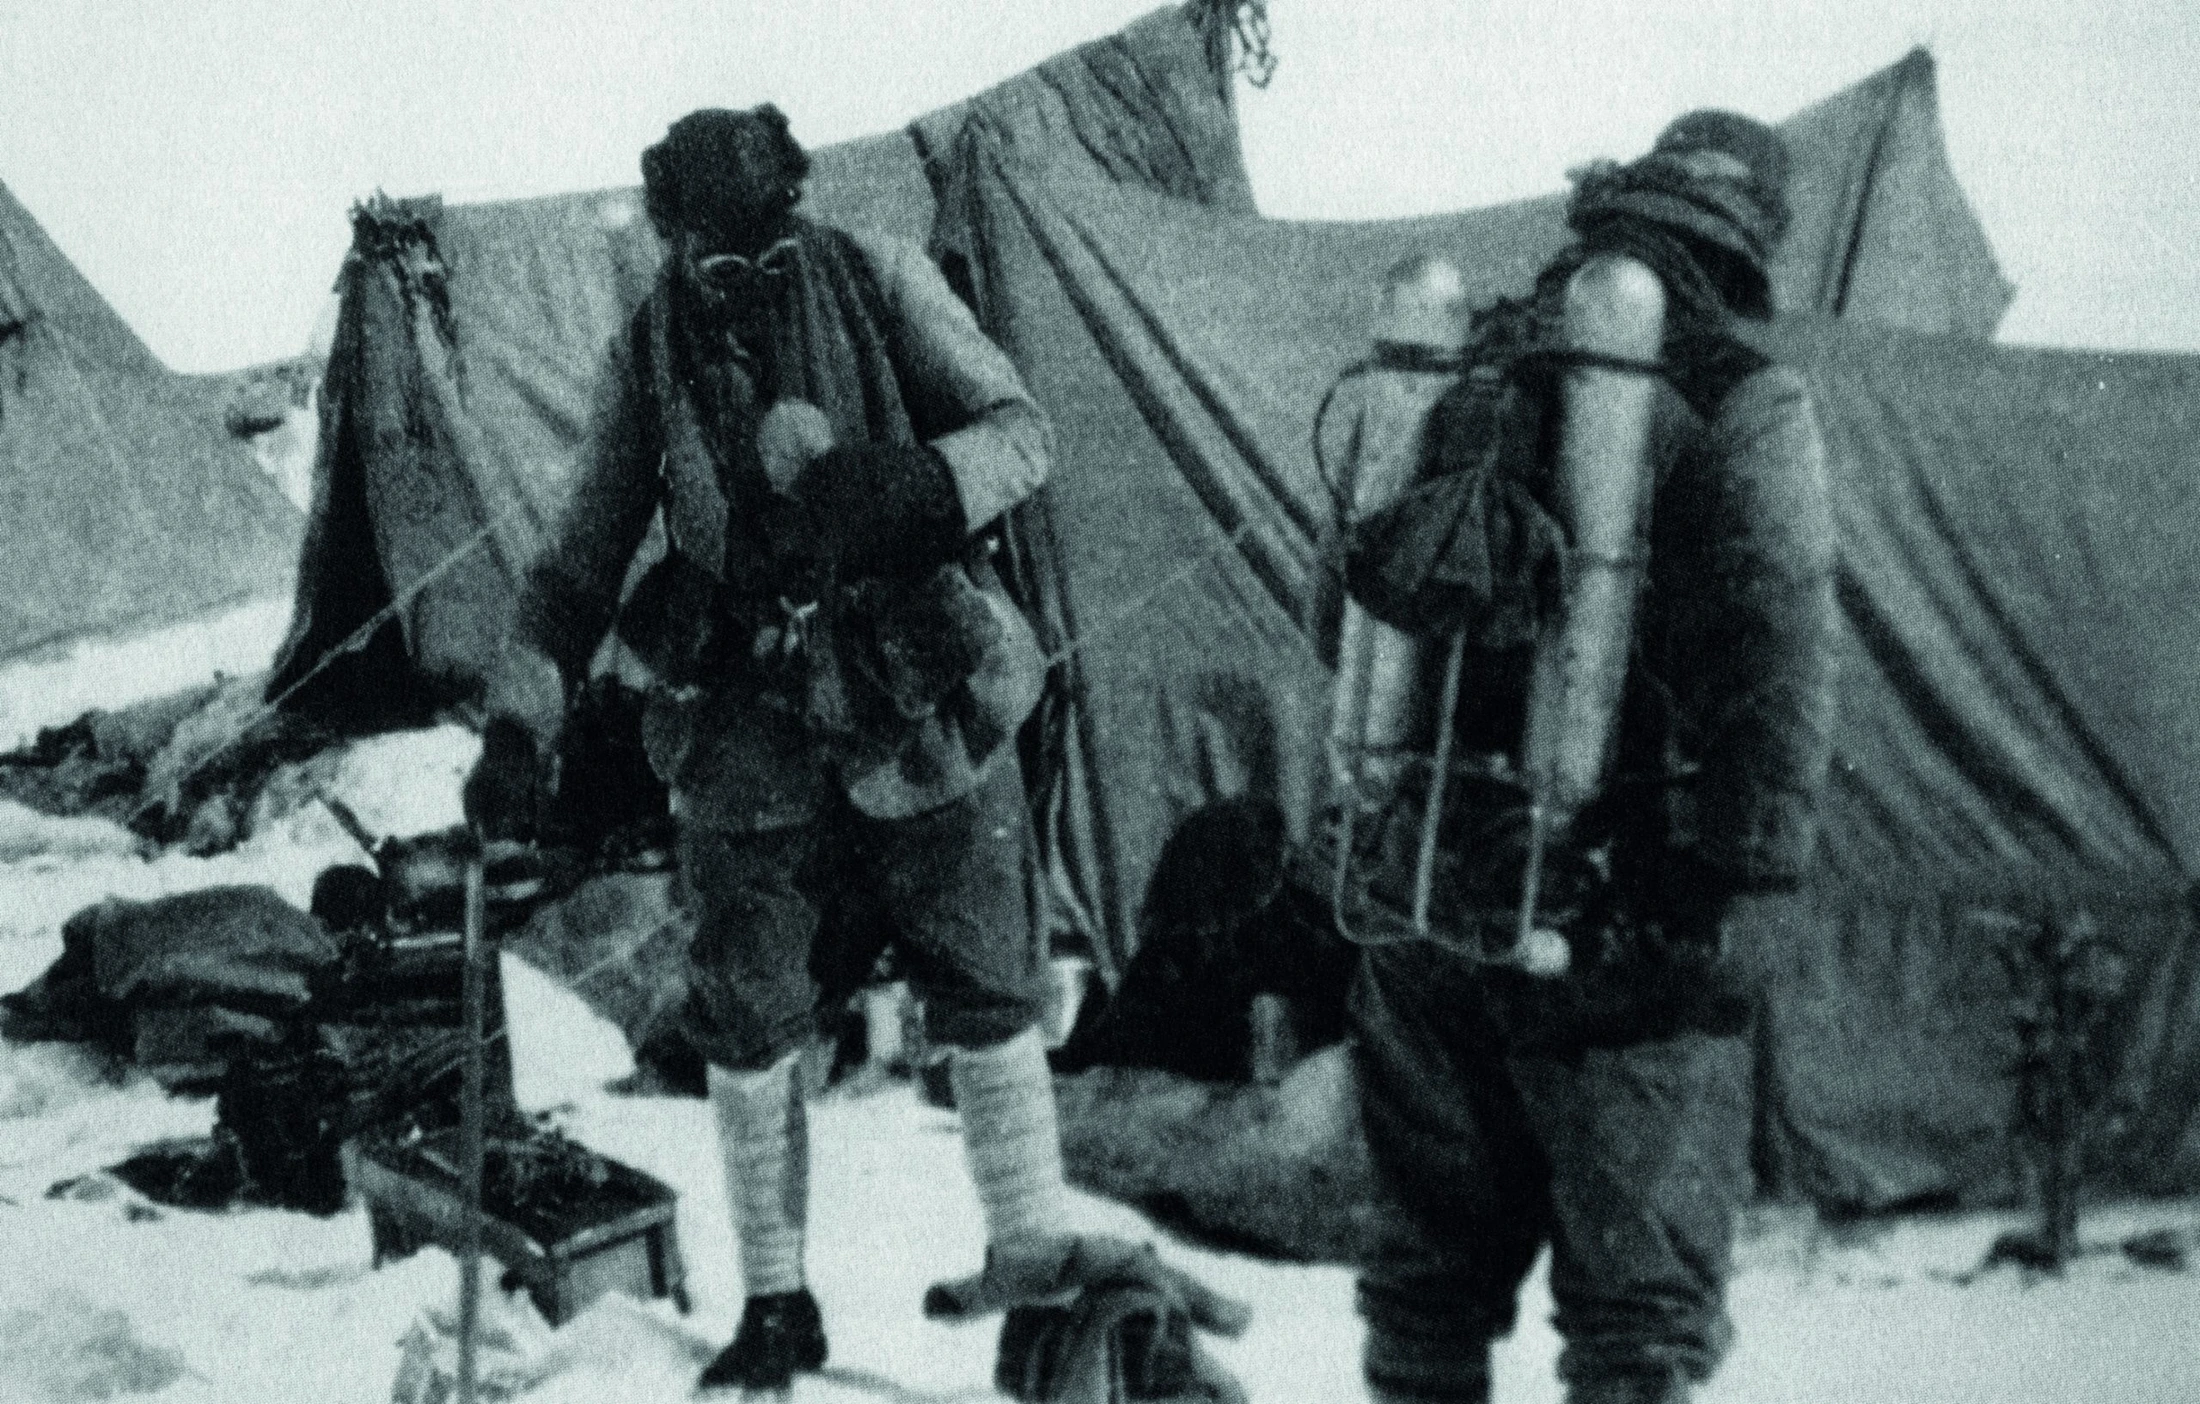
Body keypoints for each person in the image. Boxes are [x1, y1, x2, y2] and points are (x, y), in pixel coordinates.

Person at [462, 106, 1244, 1400]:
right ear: (672, 238)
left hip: (923, 700)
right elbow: (571, 570)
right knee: (746, 1015)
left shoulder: (883, 276)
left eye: (768, 245)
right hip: (750, 739)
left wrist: (919, 488)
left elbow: (1021, 432)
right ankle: (778, 1308)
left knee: (989, 982)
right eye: (715, 258)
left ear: (796, 208)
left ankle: (1033, 1247)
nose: (747, 278)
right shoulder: (646, 352)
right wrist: (516, 720)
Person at [1338, 111, 1840, 1404]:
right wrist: (1740, 886)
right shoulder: (1742, 396)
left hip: (1420, 899)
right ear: (1744, 242)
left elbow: (1342, 599)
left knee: (1424, 1302)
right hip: (1625, 929)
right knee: (1635, 1330)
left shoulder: (1456, 366)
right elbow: (1781, 646)